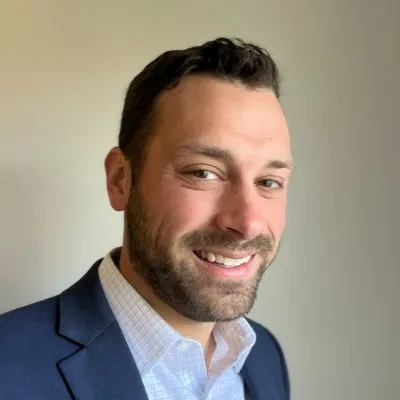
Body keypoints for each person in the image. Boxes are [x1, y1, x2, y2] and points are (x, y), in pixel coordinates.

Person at [0, 37, 293, 400]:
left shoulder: (264, 356)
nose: (247, 224)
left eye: (268, 181)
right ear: (120, 180)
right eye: (203, 173)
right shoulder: (8, 368)